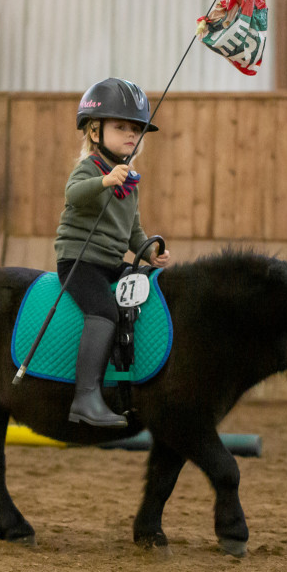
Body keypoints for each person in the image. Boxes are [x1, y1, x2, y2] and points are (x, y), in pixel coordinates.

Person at [56, 77, 170, 428]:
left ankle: (128, 384)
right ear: (94, 131)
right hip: (79, 261)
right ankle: (85, 398)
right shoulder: (90, 169)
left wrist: (148, 252)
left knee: (148, 288)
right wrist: (105, 181)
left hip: (110, 262)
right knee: (103, 311)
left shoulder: (129, 181)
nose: (130, 135)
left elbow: (132, 230)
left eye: (135, 129)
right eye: (120, 127)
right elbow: (73, 195)